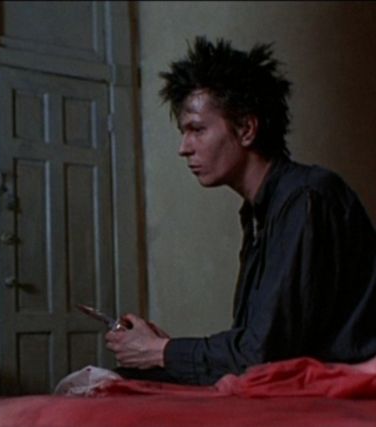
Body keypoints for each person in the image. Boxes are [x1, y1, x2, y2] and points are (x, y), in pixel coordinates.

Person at [105, 36, 376, 386]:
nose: (184, 148)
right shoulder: (260, 211)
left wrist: (162, 351)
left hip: (338, 394)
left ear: (246, 129)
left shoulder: (306, 198)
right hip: (297, 388)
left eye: (197, 130)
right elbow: (255, 345)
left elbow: (261, 355)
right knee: (114, 380)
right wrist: (163, 349)